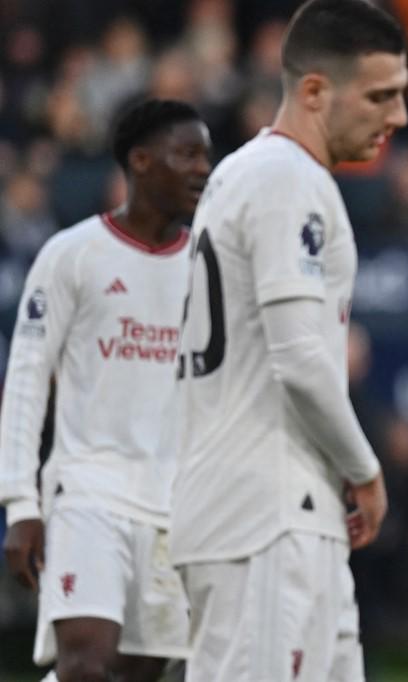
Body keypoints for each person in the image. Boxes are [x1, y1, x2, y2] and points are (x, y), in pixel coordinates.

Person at [168, 1, 407, 680]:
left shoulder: (244, 175)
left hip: (278, 508)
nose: (398, 117)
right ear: (313, 91)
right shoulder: (287, 179)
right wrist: (364, 468)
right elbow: (300, 359)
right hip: (265, 519)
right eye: (381, 95)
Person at [0, 98, 210, 681]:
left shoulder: (206, 265)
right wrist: (20, 503)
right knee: (87, 665)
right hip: (86, 491)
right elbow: (24, 380)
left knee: (136, 675)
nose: (202, 168)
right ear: (140, 161)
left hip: (174, 505)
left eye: (206, 155)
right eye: (186, 153)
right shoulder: (72, 255)